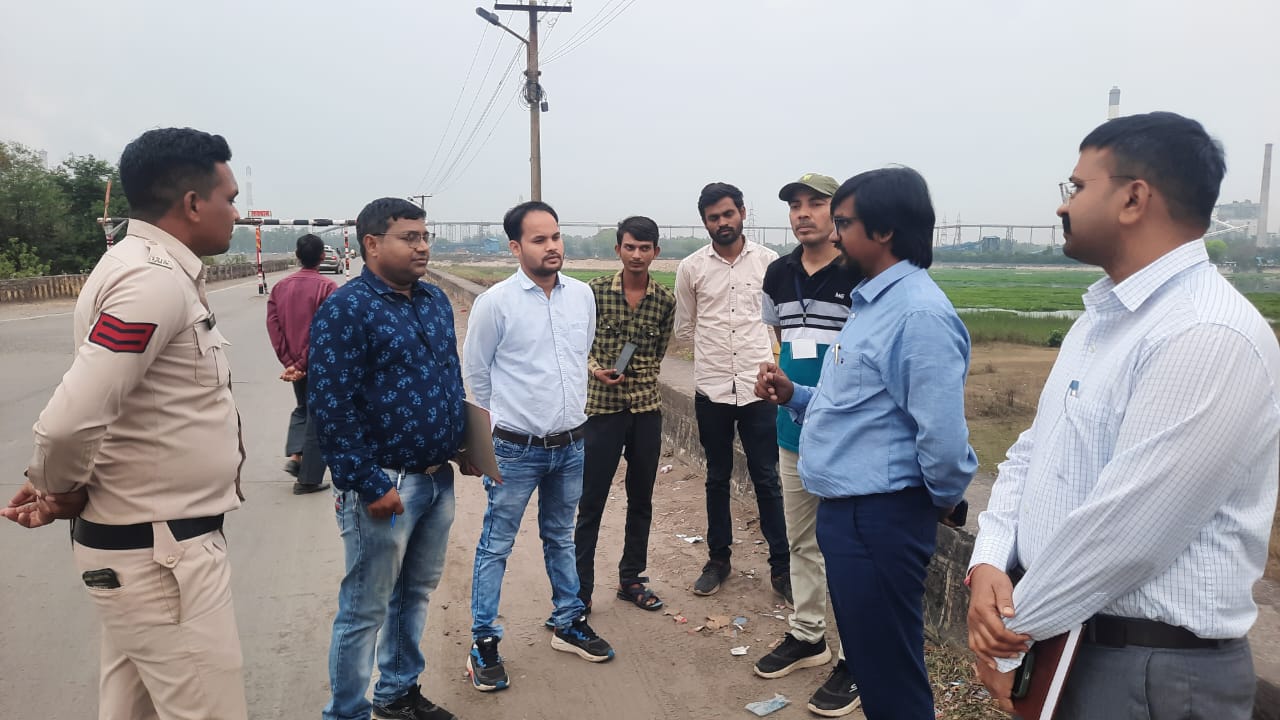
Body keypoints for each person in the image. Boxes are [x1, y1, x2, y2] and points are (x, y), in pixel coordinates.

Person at [967, 112, 1280, 719]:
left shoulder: (1205, 331)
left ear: (1134, 198)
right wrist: (988, 560)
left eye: (1078, 187)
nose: (1063, 205)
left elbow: (1127, 534)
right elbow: (1032, 451)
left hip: (1151, 671)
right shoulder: (1100, 322)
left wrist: (1008, 633)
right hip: (1069, 640)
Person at [2, 127, 250, 719]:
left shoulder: (138, 266)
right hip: (162, 559)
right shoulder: (151, 281)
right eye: (230, 198)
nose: (237, 214)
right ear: (193, 203)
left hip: (148, 550)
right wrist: (57, 488)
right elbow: (68, 424)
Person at [756, 167, 978, 719]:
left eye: (844, 223)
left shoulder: (918, 315)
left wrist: (933, 502)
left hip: (881, 516)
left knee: (889, 675)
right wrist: (794, 395)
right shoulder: (872, 305)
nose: (833, 235)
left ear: (883, 231)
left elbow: (944, 442)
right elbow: (853, 406)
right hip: (852, 514)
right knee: (876, 668)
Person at [308, 197, 467, 720]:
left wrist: (463, 444)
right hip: (384, 483)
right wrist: (368, 482)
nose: (422, 247)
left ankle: (397, 692)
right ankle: (346, 712)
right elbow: (331, 405)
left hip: (436, 478)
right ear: (372, 244)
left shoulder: (433, 300)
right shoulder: (346, 309)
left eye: (425, 236)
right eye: (409, 237)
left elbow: (448, 378)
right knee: (365, 607)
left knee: (414, 593)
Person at [463, 200, 615, 693]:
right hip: (514, 449)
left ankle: (568, 621)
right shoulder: (496, 303)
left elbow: (578, 355)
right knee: (496, 545)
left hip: (571, 445)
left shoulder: (581, 296)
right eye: (539, 239)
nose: (552, 247)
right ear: (515, 247)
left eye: (556, 236)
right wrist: (490, 438)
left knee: (561, 536)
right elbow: (476, 374)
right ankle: (484, 641)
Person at [755, 173, 862, 717]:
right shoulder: (778, 273)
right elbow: (782, 341)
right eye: (795, 205)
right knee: (801, 541)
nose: (803, 213)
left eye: (815, 203)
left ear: (838, 211)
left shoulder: (861, 270)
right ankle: (808, 633)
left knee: (850, 550)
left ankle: (857, 656)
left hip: (848, 436)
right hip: (793, 430)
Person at [674, 182, 789, 599]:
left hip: (760, 391)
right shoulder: (691, 268)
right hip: (713, 389)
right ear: (704, 222)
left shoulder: (769, 263)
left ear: (742, 212)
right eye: (713, 217)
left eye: (728, 214)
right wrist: (714, 352)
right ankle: (718, 560)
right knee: (717, 478)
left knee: (767, 478)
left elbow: (780, 323)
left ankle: (782, 567)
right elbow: (685, 327)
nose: (722, 223)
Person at [574, 215, 677, 614]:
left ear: (655, 252)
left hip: (646, 409)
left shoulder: (664, 300)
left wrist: (635, 376)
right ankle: (579, 590)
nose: (637, 255)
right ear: (618, 249)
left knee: (641, 497)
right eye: (630, 247)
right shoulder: (595, 292)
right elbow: (579, 346)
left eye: (644, 248)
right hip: (601, 410)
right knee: (591, 501)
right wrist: (595, 369)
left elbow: (658, 353)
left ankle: (631, 577)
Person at [265, 232, 337, 494]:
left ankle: (297, 455)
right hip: (319, 363)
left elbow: (273, 326)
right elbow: (324, 330)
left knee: (304, 406)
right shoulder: (328, 288)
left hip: (295, 364)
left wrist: (290, 362)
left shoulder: (280, 288)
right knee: (319, 415)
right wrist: (303, 362)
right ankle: (307, 479)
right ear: (322, 256)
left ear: (297, 256)